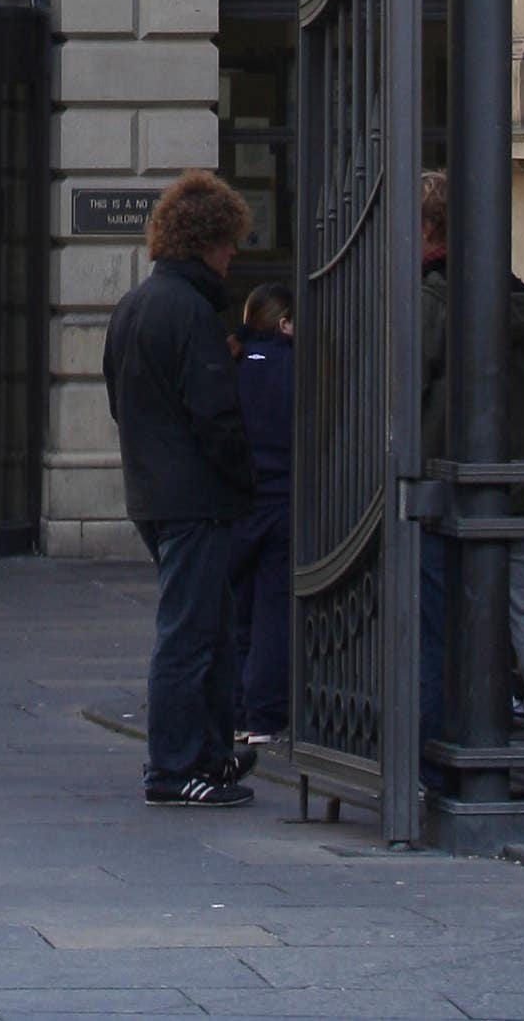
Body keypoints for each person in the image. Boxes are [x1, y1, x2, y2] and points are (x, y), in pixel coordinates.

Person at [103, 169, 260, 807]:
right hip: (193, 495)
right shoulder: (192, 313)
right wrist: (245, 477)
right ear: (207, 242)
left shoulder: (134, 305)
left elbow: (119, 398)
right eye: (227, 243)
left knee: (210, 627)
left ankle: (209, 753)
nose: (232, 256)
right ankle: (173, 767)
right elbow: (215, 416)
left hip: (153, 489)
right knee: (191, 631)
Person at [415, 170, 524, 789]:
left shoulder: (434, 301)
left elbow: (407, 393)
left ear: (429, 229)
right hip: (516, 481)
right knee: (519, 606)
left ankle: (438, 755)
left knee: (442, 624)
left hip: (445, 484)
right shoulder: (510, 293)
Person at [230, 283, 293, 746]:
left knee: (233, 609)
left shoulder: (232, 366)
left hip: (238, 501)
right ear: (285, 323)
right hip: (285, 498)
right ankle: (264, 715)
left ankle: (231, 708)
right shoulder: (298, 368)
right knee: (273, 610)